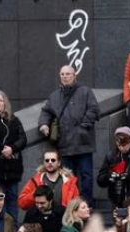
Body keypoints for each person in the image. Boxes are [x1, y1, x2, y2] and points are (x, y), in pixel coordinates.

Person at [37, 66, 99, 199]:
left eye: (68, 74)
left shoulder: (85, 92)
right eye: (62, 74)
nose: (65, 76)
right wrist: (43, 124)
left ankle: (87, 204)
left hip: (83, 143)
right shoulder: (54, 96)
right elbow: (46, 111)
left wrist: (83, 127)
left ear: (74, 76)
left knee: (86, 176)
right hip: (64, 144)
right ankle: (70, 205)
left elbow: (94, 109)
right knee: (68, 178)